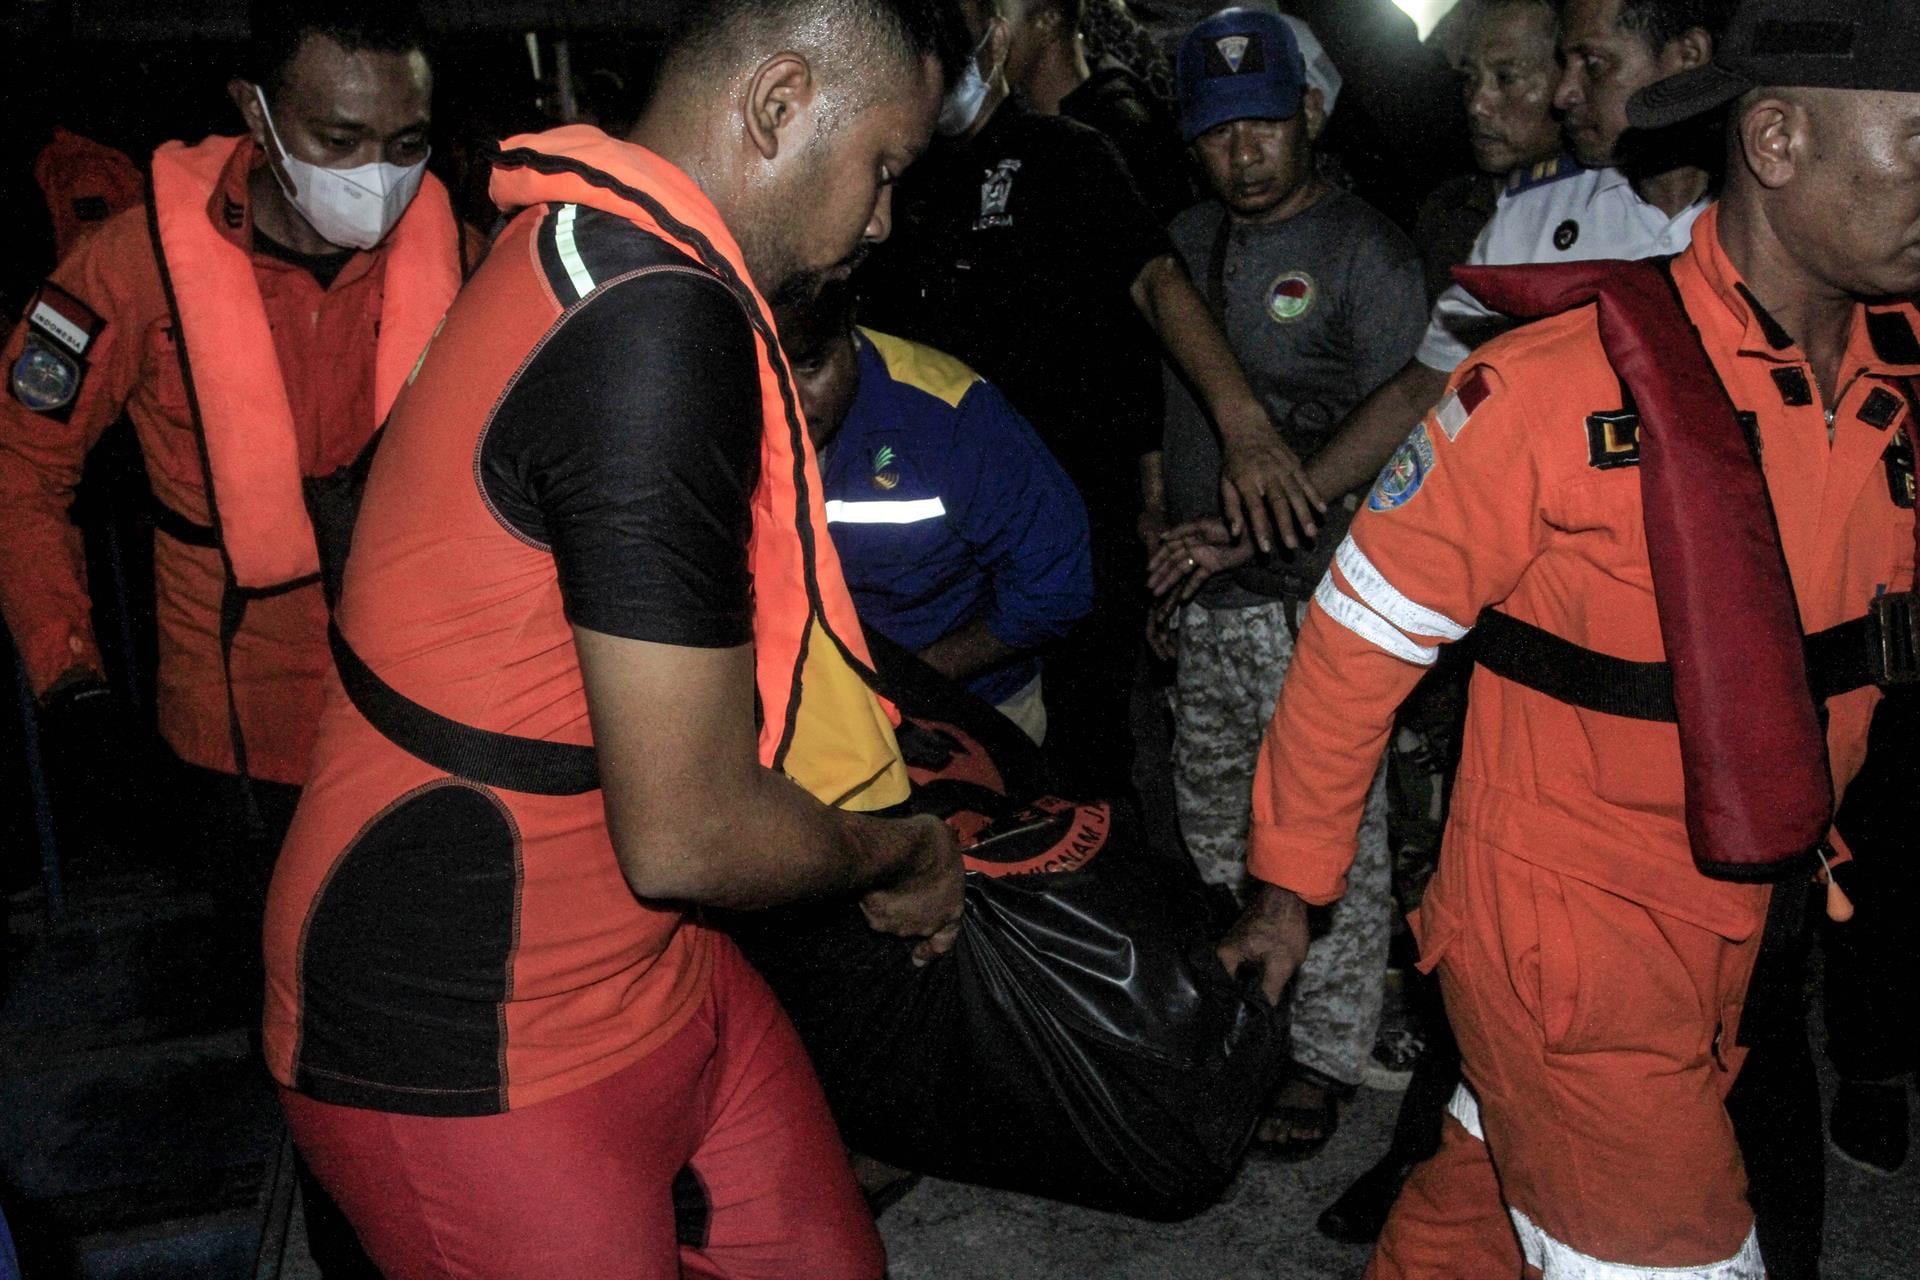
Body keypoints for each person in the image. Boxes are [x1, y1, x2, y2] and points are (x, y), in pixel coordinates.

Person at [260, 2, 974, 1276]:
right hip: (467, 1036)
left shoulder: (584, 226)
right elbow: (692, 827)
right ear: (777, 103)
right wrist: (899, 850)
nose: (879, 222)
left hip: (658, 969)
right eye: (883, 167)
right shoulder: (646, 322)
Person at [1215, 0, 1920, 1272]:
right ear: (1776, 139)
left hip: (1751, 933)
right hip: (1570, 951)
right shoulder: (1554, 391)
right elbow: (1353, 641)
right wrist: (1292, 890)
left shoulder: (1890, 387)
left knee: (1480, 1213)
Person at [0, 5, 463, 1273]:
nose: (376, 171)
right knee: (305, 1038)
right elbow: (20, 464)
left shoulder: (464, 253)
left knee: (437, 1016)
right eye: (341, 134)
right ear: (255, 113)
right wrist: (70, 678)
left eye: (408, 138)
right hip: (237, 745)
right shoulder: (128, 270)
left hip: (423, 716)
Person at [861, 0, 1326, 799]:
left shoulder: (1066, 155)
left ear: (998, 43)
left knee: (1083, 759)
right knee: (949, 758)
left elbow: (1155, 283)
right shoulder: (893, 179)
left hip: (1073, 518)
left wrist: (1243, 427)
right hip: (927, 527)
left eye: (965, 42)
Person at [1148, 6, 1426, 1162]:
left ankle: (1322, 1051)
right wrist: (1159, 527)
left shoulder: (1367, 251)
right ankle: (1248, 1018)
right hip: (1209, 600)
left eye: (1264, 126)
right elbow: (1162, 410)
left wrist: (1270, 516)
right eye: (1219, 136)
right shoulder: (1187, 238)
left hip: (1321, 597)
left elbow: (1414, 413)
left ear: (1309, 114)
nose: (1244, 156)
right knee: (1216, 827)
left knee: (1330, 840)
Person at [1299, 0, 1730, 510]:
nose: (1565, 93)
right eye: (1564, 65)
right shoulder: (1532, 213)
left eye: (1592, 65)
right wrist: (1293, 501)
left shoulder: (1774, 212)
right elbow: (1428, 385)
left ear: (1688, 57)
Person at [782, 287, 1093, 744]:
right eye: (764, 368)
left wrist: (909, 682)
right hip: (813, 711)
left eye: (810, 365)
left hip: (973, 708)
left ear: (851, 329)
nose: (791, 403)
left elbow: (1058, 587)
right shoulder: (701, 412)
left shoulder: (952, 415)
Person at [1412, 0, 1564, 301]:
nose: (1477, 104)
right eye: (1469, 77)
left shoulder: (1612, 207)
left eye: (1506, 78)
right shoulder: (1448, 210)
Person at [1000, 0, 1196, 224]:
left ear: (1047, 22)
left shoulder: (1122, 131)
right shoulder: (1016, 127)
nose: (990, 32)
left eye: (1000, 16)